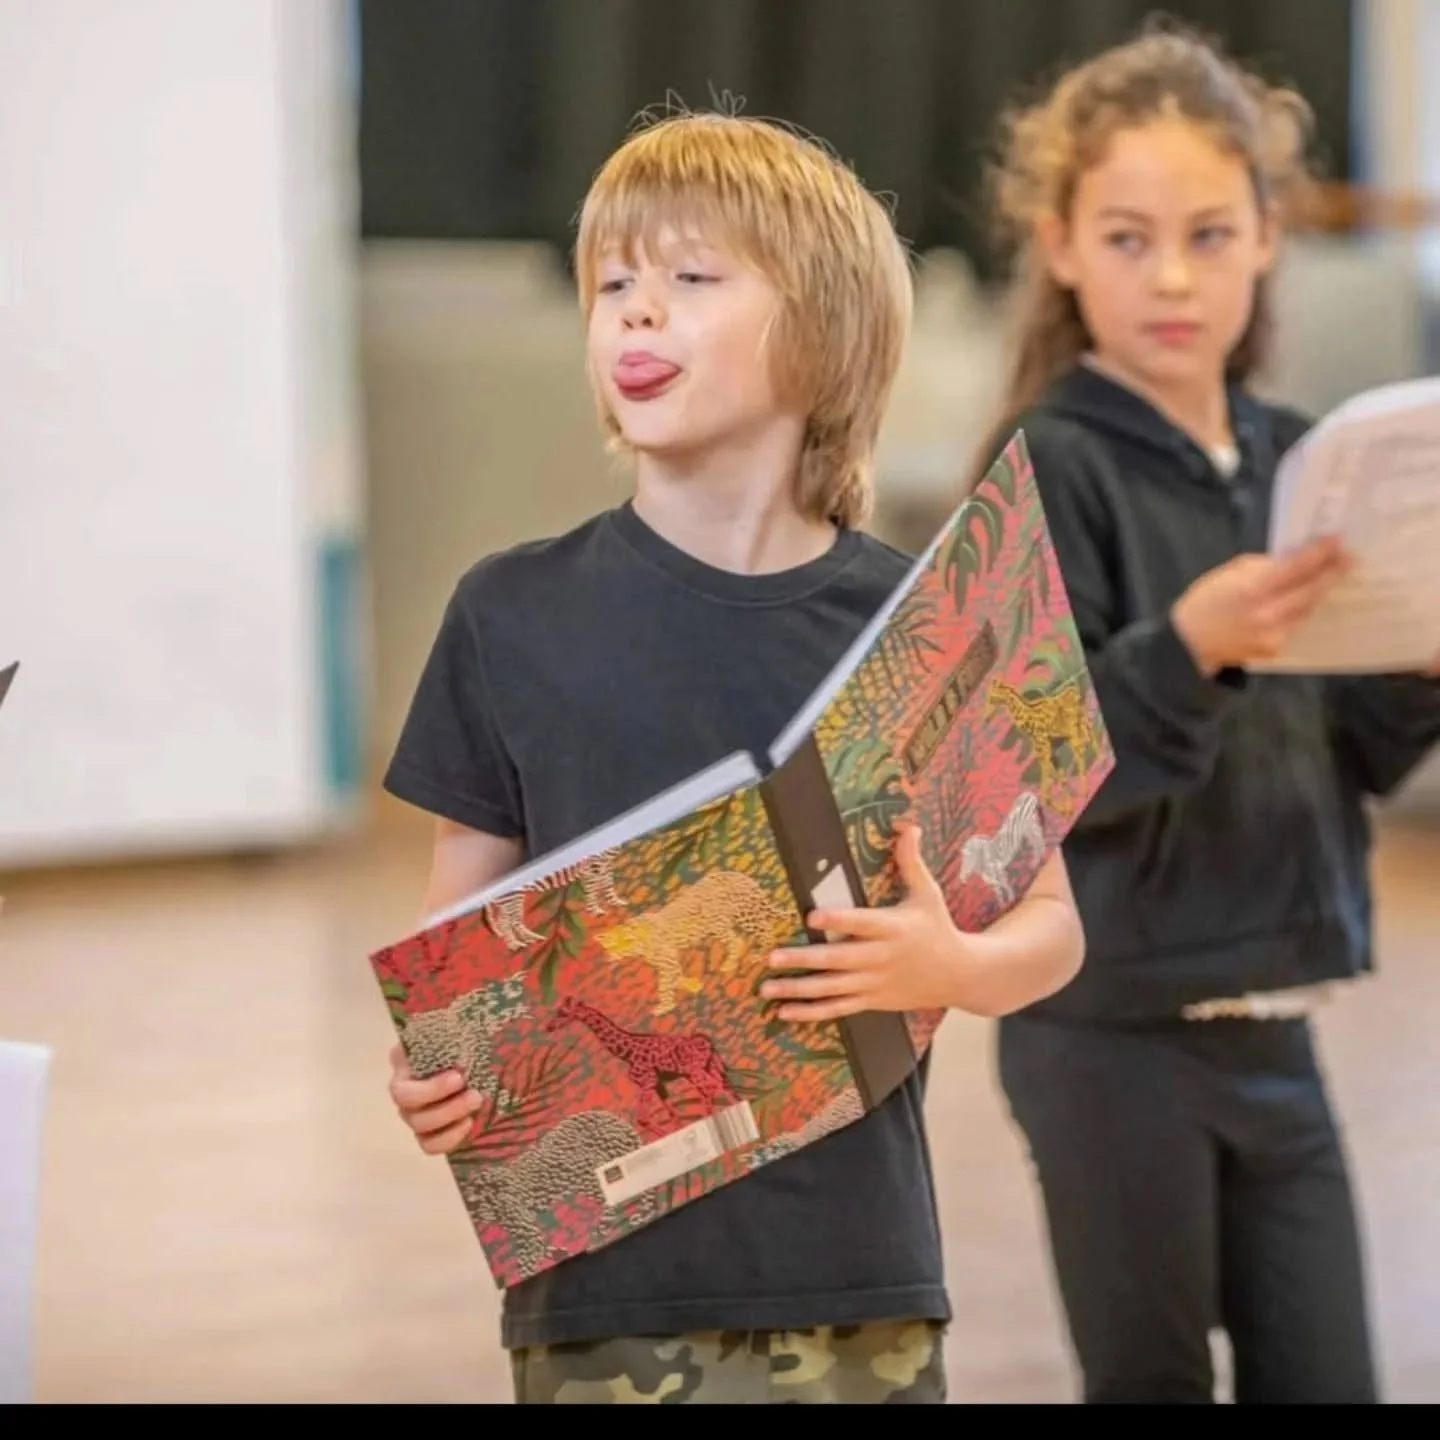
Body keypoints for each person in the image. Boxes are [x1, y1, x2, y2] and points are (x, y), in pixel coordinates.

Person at [379, 108, 1088, 1405]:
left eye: (691, 279)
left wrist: (952, 964)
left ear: (823, 333)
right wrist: (434, 1074)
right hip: (597, 1293)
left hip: (856, 1279)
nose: (636, 314)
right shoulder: (506, 614)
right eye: (612, 286)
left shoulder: (917, 623)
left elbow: (1052, 928)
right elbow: (452, 956)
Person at [974, 23, 1440, 1405]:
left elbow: (1345, 758)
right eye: (1127, 238)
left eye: (1208, 234)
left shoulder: (1307, 458)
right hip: (1107, 1035)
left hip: (1277, 1018)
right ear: (1060, 245)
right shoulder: (1048, 468)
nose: (1172, 275)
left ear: (1266, 239)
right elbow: (1021, 781)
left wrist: (1419, 669)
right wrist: (1185, 650)